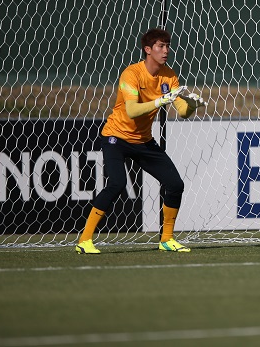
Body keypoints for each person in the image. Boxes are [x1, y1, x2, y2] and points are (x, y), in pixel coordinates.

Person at [76, 28, 207, 254]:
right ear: (148, 50)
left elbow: (182, 111)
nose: (166, 50)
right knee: (117, 184)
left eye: (167, 46)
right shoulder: (131, 74)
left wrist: (194, 104)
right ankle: (84, 240)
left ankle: (166, 239)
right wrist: (160, 101)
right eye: (160, 46)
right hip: (116, 137)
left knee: (175, 184)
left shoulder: (169, 75)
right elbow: (132, 110)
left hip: (144, 141)